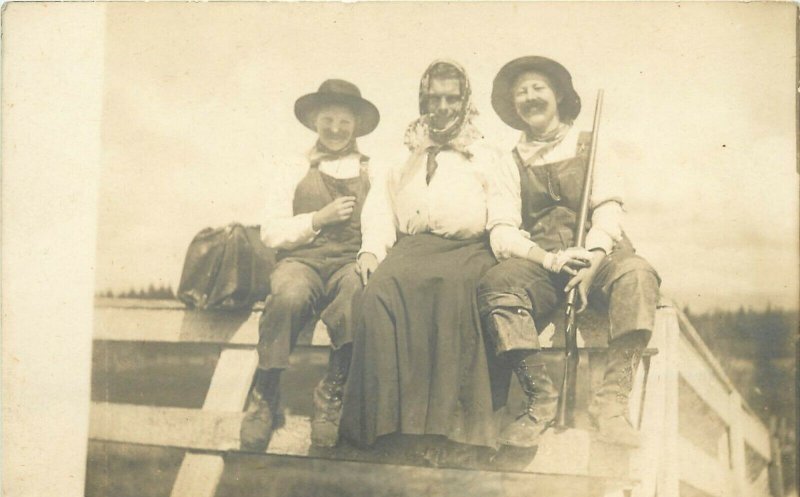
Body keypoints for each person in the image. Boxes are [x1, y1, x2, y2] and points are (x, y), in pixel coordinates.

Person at [479, 56, 660, 448]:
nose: (530, 98)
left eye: (538, 88)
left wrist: (593, 261)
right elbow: (502, 231)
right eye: (521, 92)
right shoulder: (508, 161)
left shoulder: (592, 145)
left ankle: (611, 405)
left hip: (600, 256)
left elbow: (609, 211)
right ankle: (539, 401)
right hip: (545, 265)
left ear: (558, 94)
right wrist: (550, 260)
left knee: (639, 275)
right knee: (497, 285)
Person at [340, 60, 502, 453]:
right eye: (434, 98)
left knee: (452, 294)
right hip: (412, 249)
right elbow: (380, 210)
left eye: (451, 98)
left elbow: (502, 212)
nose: (442, 107)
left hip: (467, 250)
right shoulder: (405, 155)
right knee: (377, 295)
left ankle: (450, 431)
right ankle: (385, 427)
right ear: (422, 101)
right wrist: (370, 252)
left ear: (465, 100)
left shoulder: (486, 153)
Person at [240, 79, 380, 451]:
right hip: (301, 260)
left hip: (348, 261)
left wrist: (370, 253)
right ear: (315, 122)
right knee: (287, 297)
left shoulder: (372, 169)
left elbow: (381, 221)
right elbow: (270, 232)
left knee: (357, 296)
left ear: (356, 126)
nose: (335, 129)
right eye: (328, 120)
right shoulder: (292, 166)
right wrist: (317, 219)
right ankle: (265, 395)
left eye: (344, 122)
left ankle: (330, 396)